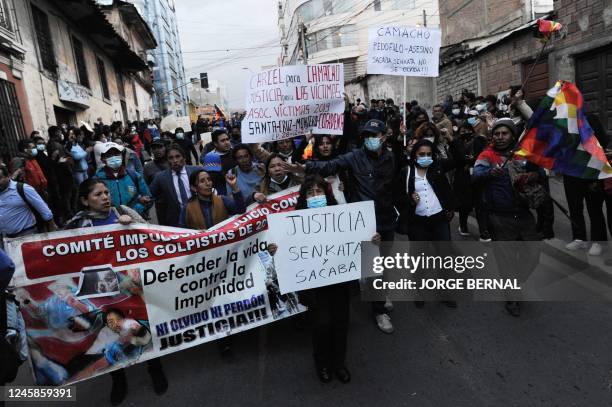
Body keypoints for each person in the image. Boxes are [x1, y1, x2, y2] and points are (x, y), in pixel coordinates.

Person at [286, 119, 397, 333]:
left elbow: (395, 185)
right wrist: (305, 166)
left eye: (373, 135)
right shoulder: (355, 156)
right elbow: (329, 165)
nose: (369, 140)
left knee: (384, 262)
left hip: (386, 219)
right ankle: (379, 311)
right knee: (372, 265)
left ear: (383, 136)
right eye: (366, 136)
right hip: (364, 221)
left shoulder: (391, 157)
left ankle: (380, 294)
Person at [268, 175, 380, 384]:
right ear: (304, 198)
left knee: (341, 323)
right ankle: (321, 362)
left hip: (340, 282)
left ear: (326, 195)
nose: (315, 196)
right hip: (313, 285)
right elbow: (286, 253)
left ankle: (339, 363)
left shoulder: (343, 217)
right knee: (321, 325)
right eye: (310, 193)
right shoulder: (293, 222)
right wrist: (276, 250)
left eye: (319, 191)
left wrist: (372, 240)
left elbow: (360, 242)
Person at [64, 179, 167, 404]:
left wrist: (131, 226)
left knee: (143, 328)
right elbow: (61, 254)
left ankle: (155, 368)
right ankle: (118, 380)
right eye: (98, 194)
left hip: (132, 289)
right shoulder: (76, 225)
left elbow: (150, 236)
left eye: (106, 192)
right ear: (84, 201)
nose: (105, 197)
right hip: (101, 292)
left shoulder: (123, 211)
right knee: (109, 336)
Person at [473, 118, 543, 316]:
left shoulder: (522, 154)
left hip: (524, 214)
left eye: (505, 133)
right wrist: (489, 173)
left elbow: (539, 172)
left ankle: (516, 282)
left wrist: (533, 176)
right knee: (506, 260)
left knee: (533, 255)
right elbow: (476, 175)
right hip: (499, 217)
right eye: (497, 134)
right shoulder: (487, 155)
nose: (500, 137)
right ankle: (511, 295)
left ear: (513, 135)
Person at [0, 163, 57, 239]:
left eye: (0, 178)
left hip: (27, 235)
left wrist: (52, 229)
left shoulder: (22, 188)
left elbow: (43, 209)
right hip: (6, 239)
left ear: (8, 176)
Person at [149, 145, 200, 227]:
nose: (175, 160)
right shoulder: (160, 177)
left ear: (184, 158)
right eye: (171, 158)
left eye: (178, 156)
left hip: (199, 219)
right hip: (176, 223)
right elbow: (149, 196)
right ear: (167, 160)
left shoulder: (196, 171)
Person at [95, 142, 152, 216]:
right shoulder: (97, 180)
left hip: (135, 219)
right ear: (103, 159)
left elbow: (148, 198)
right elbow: (94, 204)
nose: (114, 157)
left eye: (116, 154)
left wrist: (135, 210)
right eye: (109, 155)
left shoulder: (134, 175)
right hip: (110, 221)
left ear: (122, 156)